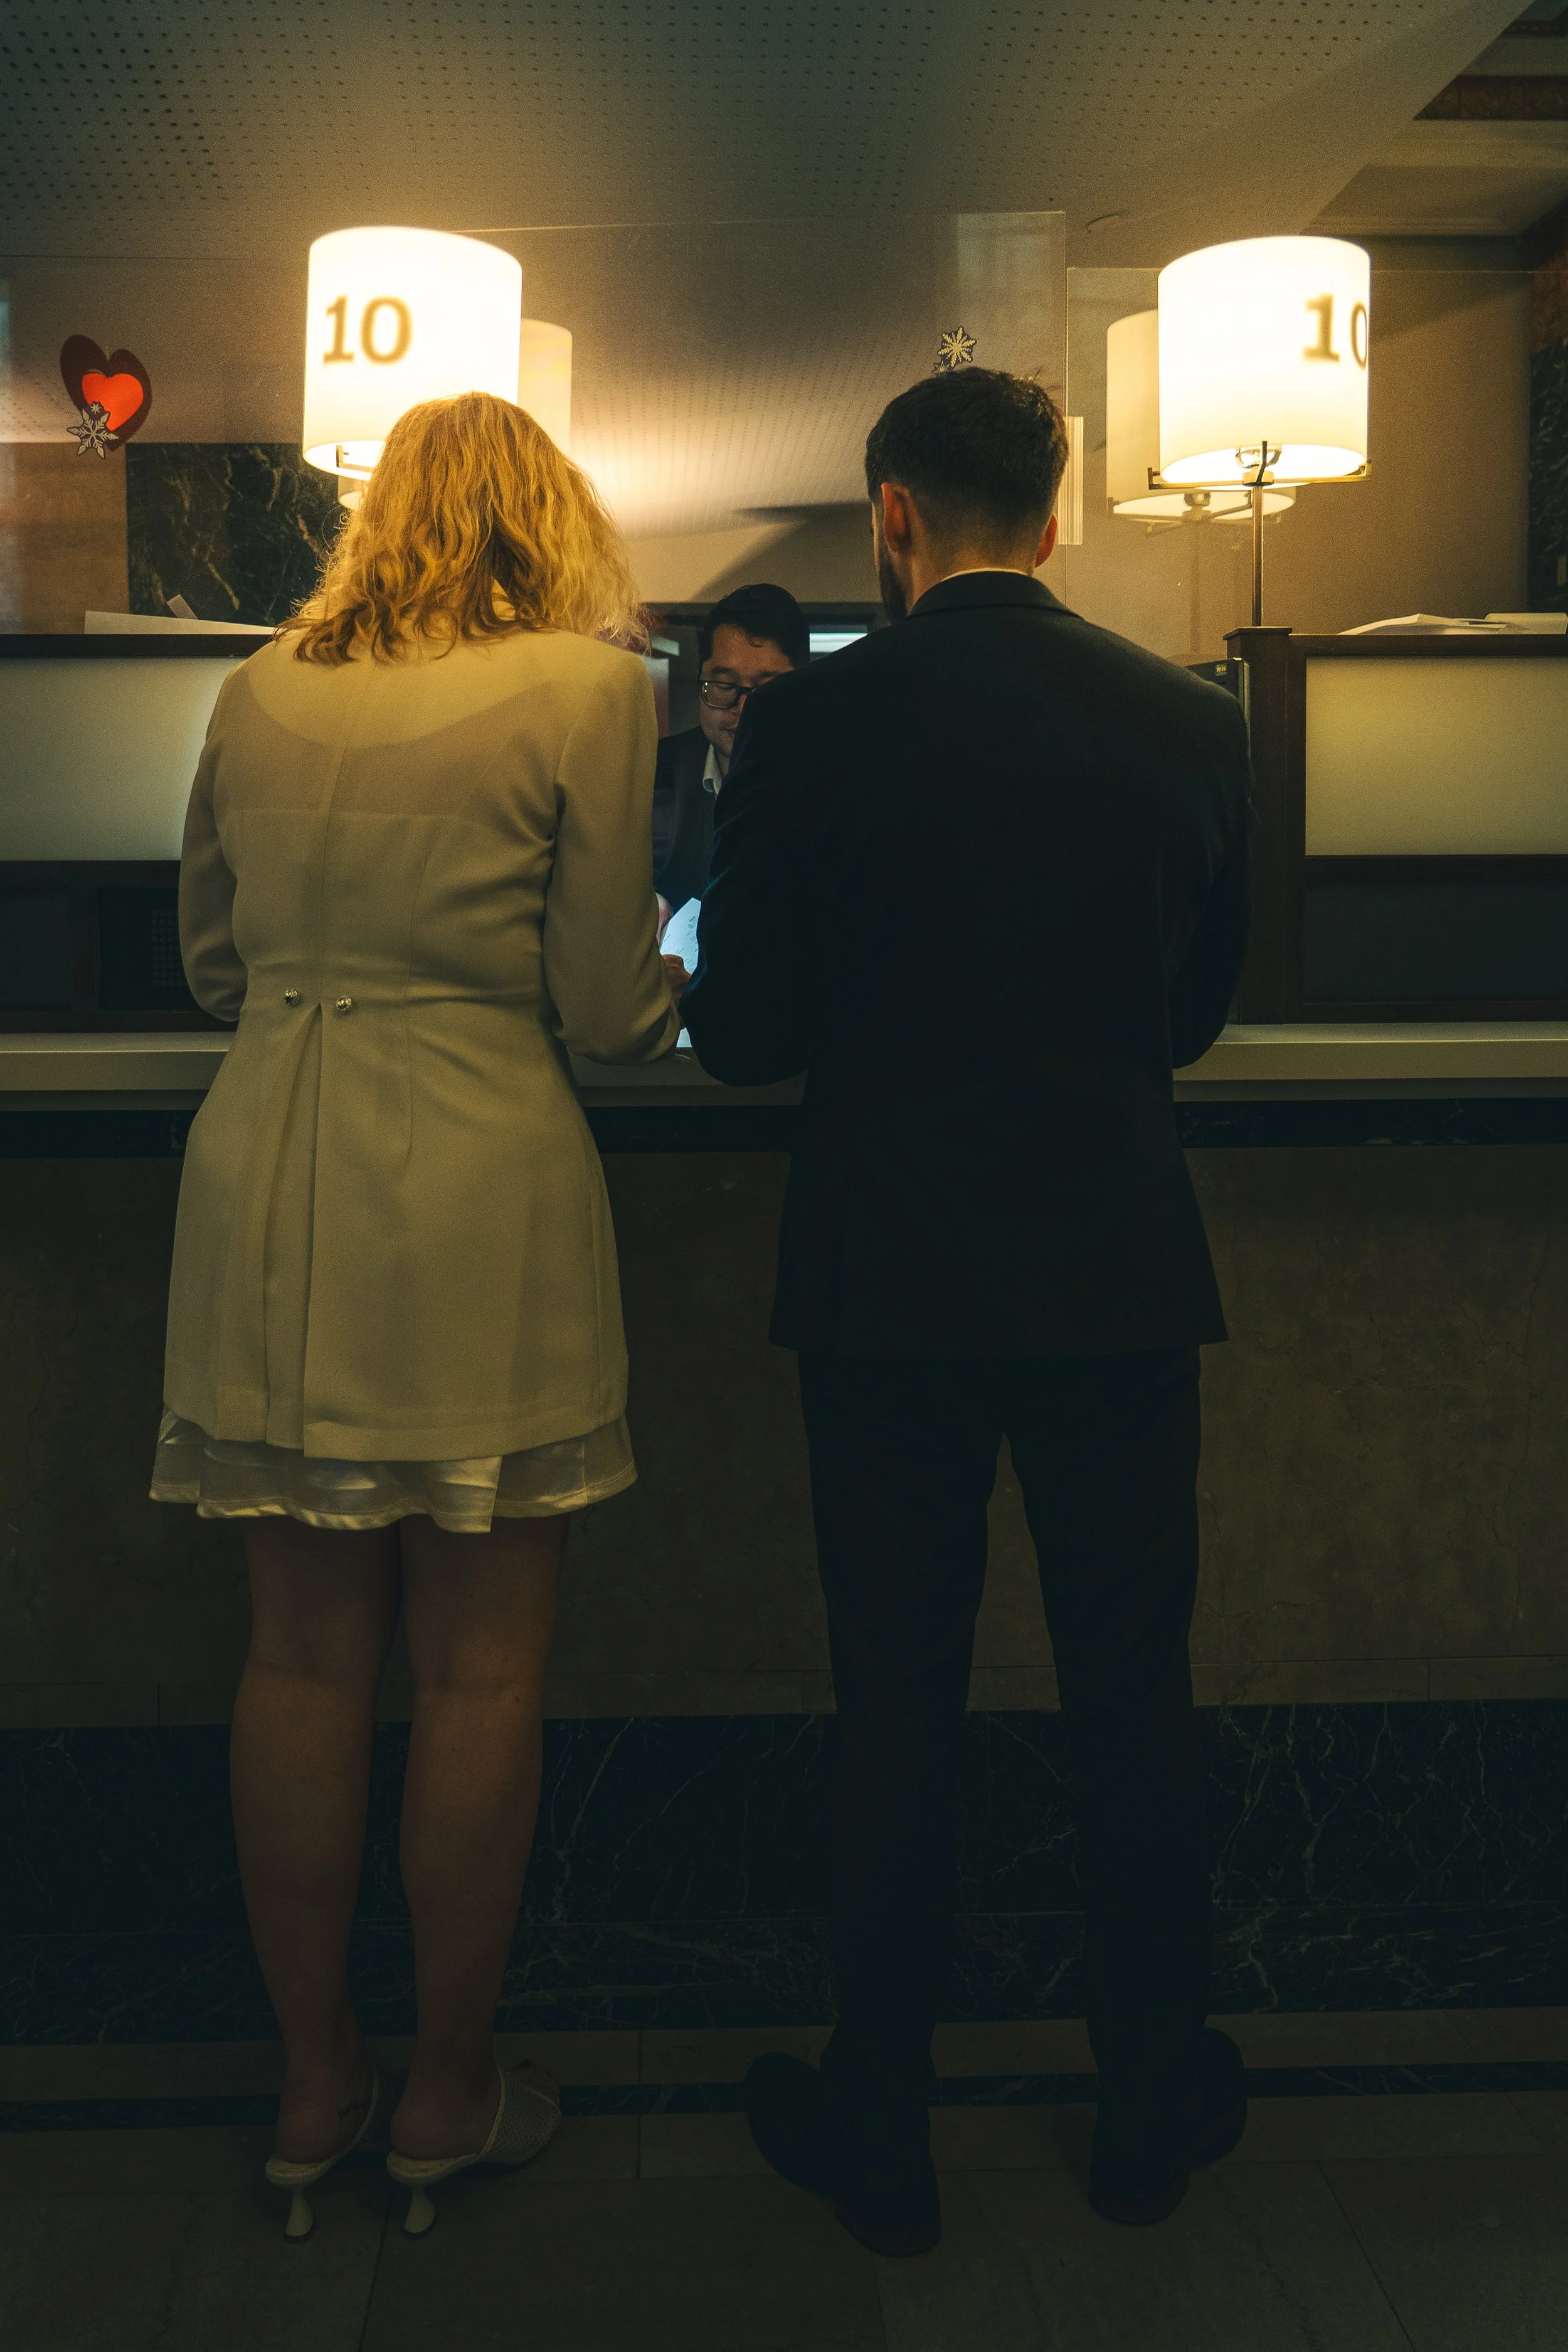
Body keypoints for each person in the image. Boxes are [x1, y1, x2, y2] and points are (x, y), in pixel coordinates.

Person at [682, 367, 1253, 2257]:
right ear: (1056, 507)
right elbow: (1189, 1013)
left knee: (894, 1702)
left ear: (892, 519)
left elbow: (742, 1034)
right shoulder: (1185, 720)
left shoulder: (810, 727)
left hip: (890, 1276)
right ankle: (1145, 2107)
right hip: (1109, 1265)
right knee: (1130, 1697)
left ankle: (882, 2124)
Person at [149, 391, 681, 2239]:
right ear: (551, 519)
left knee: (296, 1658)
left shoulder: (256, 683)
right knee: (479, 1665)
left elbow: (210, 959)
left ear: (377, 514)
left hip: (269, 1157)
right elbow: (612, 1003)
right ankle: (449, 2087)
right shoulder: (591, 688)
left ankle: (314, 2081)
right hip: (471, 1162)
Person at [653, 581, 809, 930]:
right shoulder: (654, 772)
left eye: (768, 690)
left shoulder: (837, 782)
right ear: (701, 679)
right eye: (724, 686)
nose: (744, 709)